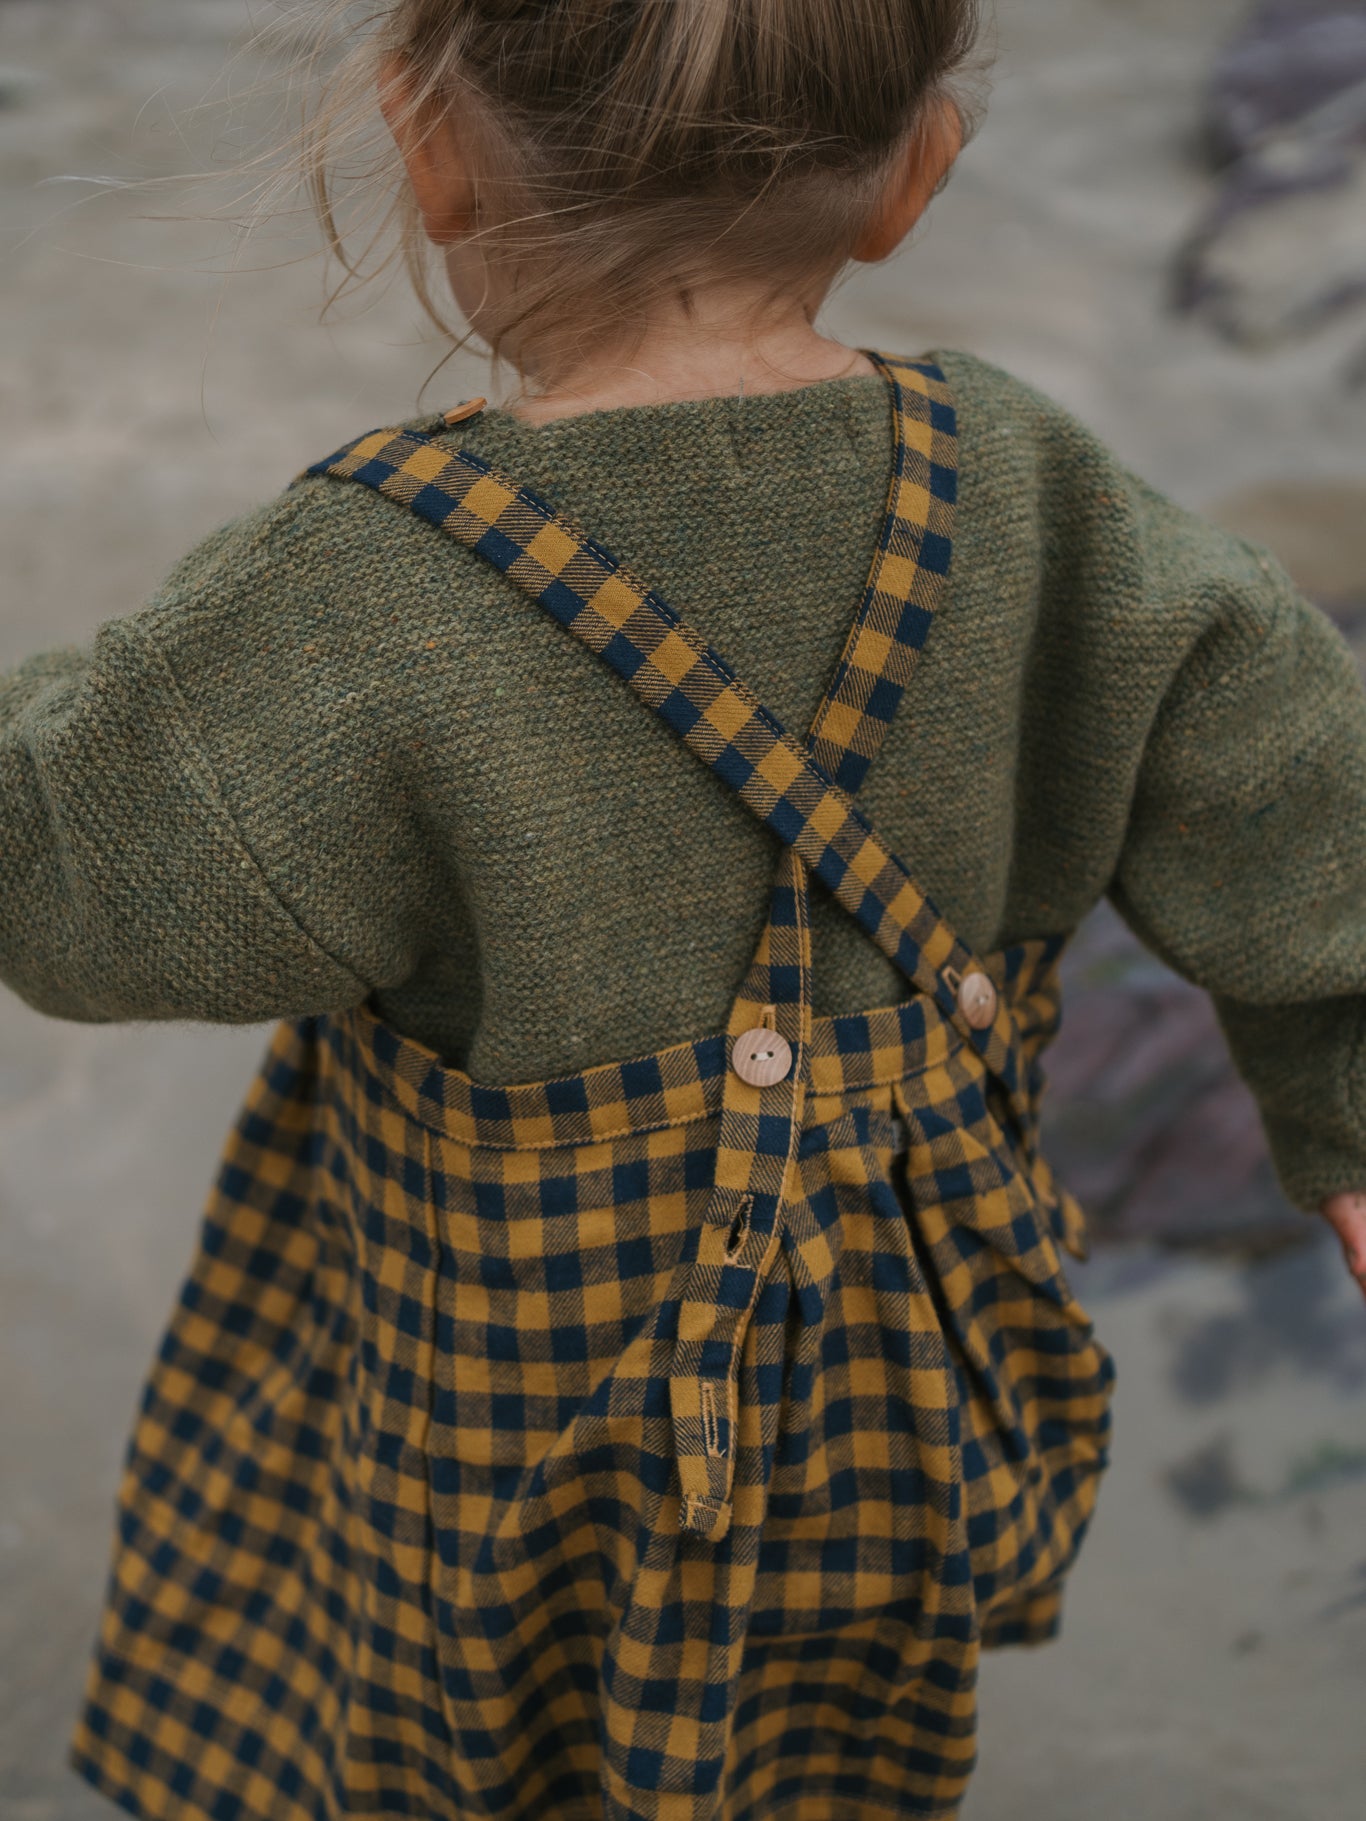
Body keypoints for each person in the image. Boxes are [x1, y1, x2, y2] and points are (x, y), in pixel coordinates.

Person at [2, 3, 1360, 1818]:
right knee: (830, 1741)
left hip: (509, 1405)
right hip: (892, 1362)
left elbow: (71, 872)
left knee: (468, 1728)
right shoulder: (1024, 484)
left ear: (428, 144)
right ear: (913, 177)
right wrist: (1336, 1092)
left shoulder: (358, 592)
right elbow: (1281, 760)